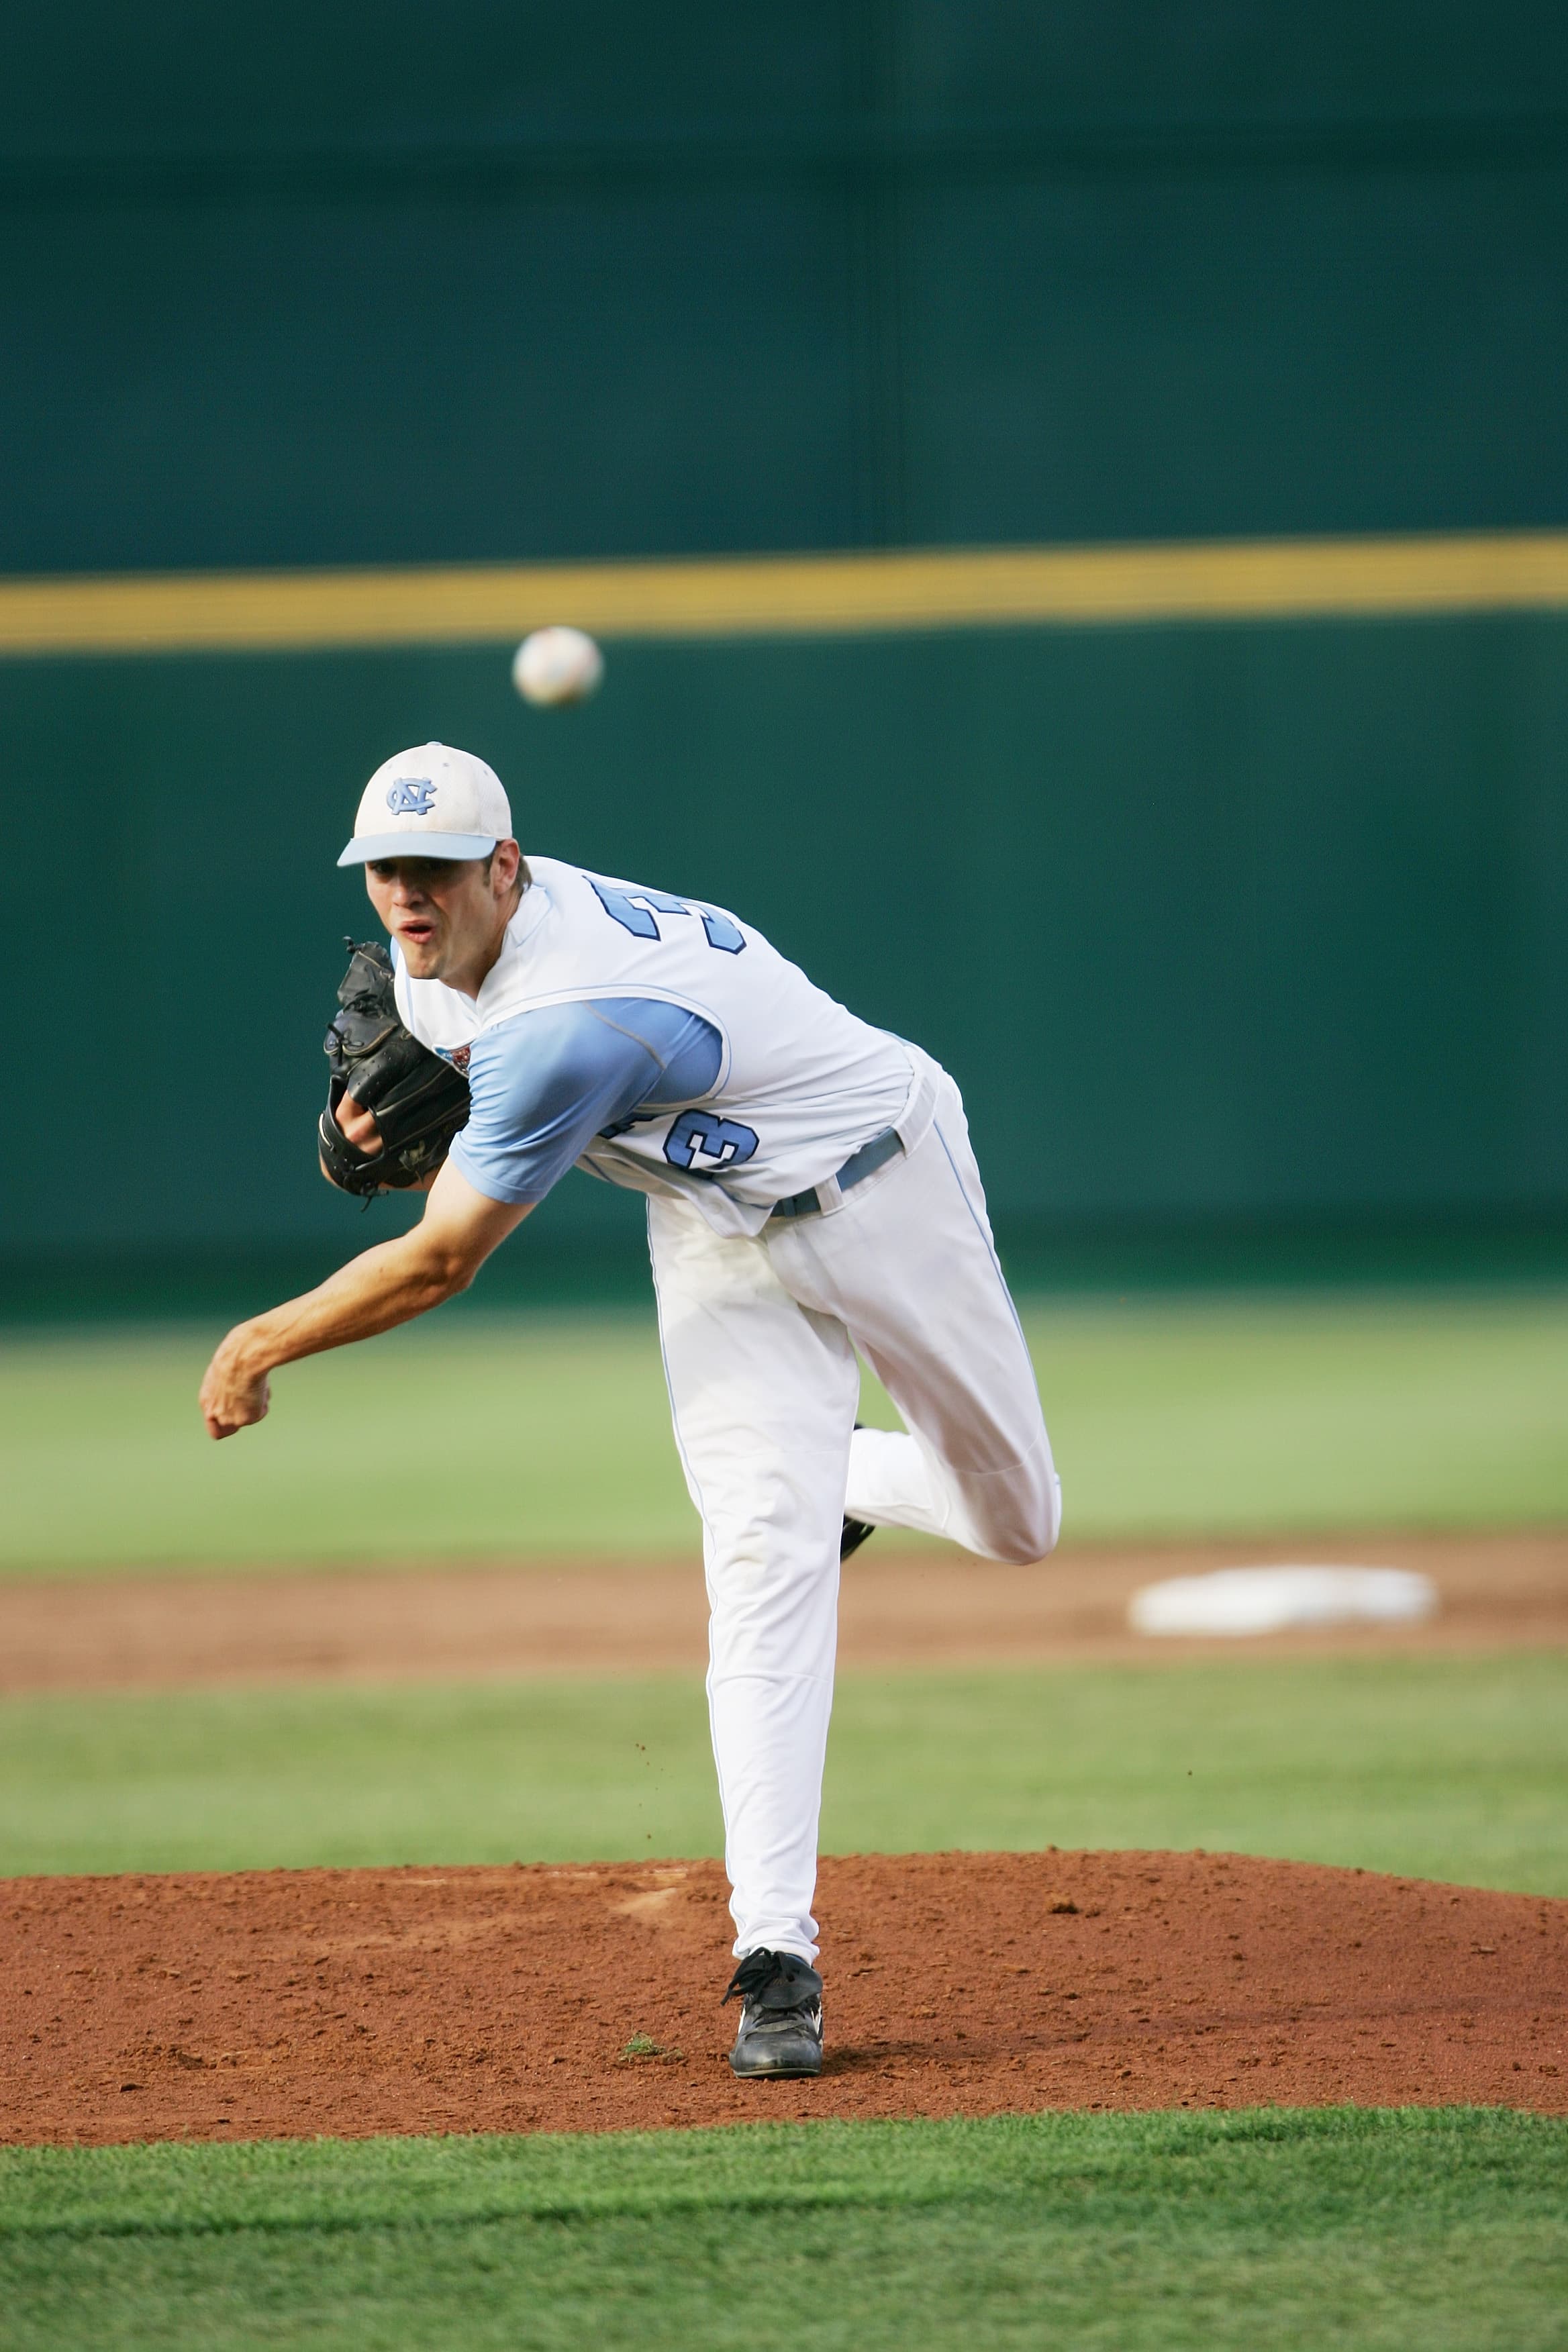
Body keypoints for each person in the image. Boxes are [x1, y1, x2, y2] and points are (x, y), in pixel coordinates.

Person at [200, 741, 1061, 2079]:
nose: (407, 899)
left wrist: (262, 1341)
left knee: (1016, 1526)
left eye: (436, 871)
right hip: (716, 1231)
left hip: (882, 1182)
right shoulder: (435, 965)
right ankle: (776, 1957)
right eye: (385, 871)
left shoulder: (572, 1016)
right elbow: (438, 1101)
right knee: (760, 1563)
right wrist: (371, 1141)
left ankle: (836, 1476)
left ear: (504, 867)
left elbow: (441, 1260)